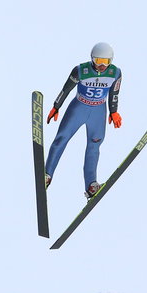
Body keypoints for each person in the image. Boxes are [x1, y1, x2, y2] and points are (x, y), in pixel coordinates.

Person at [45, 42, 122, 200]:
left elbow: (115, 93)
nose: (101, 65)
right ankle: (47, 174)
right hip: (79, 107)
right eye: (98, 60)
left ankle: (91, 185)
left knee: (94, 145)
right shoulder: (81, 70)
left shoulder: (115, 73)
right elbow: (66, 89)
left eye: (106, 62)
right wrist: (56, 106)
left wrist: (114, 112)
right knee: (62, 138)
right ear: (92, 59)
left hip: (98, 111)